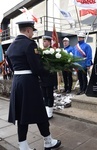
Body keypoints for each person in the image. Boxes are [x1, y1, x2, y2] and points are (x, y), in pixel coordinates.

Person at [6, 21, 61, 150]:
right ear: (28, 30)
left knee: (21, 114)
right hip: (29, 82)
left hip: (17, 82)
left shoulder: (11, 46)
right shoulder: (30, 45)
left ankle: (23, 145)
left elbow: (11, 65)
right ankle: (48, 141)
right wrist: (49, 70)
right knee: (39, 111)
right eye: (32, 31)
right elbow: (36, 67)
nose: (32, 34)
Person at [41, 35, 55, 119]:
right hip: (42, 77)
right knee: (44, 95)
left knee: (49, 94)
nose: (43, 43)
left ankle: (50, 113)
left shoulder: (52, 51)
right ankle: (46, 111)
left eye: (45, 41)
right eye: (43, 41)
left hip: (49, 76)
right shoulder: (41, 51)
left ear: (49, 42)